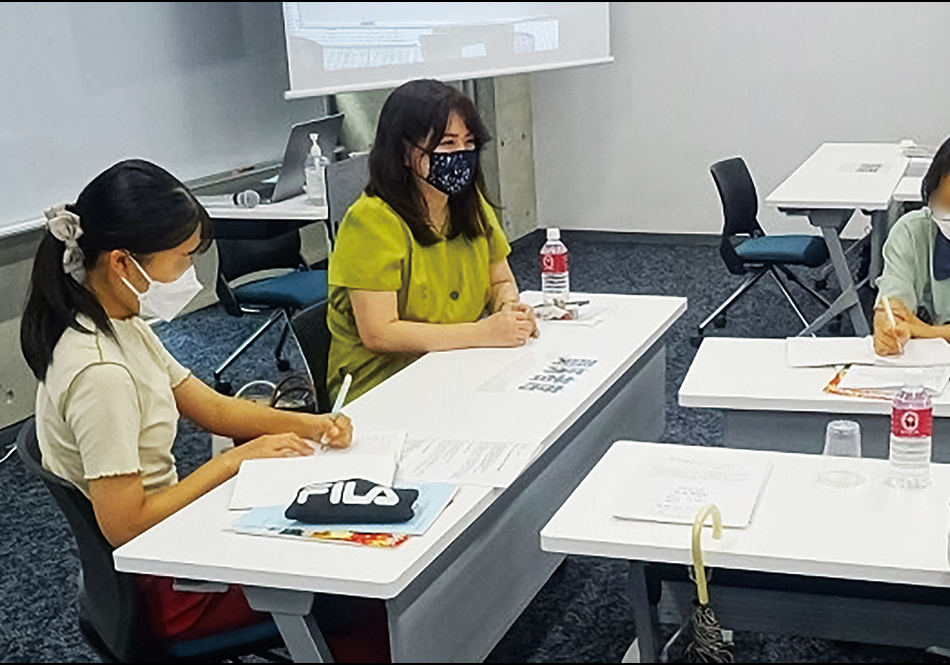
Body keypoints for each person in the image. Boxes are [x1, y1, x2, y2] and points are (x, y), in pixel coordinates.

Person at [17, 159, 391, 659]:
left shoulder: (118, 322)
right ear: (123, 263)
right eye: (182, 258)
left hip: (167, 550)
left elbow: (210, 407)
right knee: (352, 581)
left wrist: (308, 422)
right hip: (165, 590)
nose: (189, 275)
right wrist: (231, 463)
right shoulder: (99, 373)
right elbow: (125, 525)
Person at [326, 79, 539, 404]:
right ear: (403, 150)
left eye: (469, 143)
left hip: (455, 362)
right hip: (384, 386)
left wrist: (510, 311)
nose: (461, 155)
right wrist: (483, 333)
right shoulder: (370, 221)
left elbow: (499, 279)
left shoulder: (470, 204)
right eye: (446, 144)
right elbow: (379, 332)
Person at [875, 137, 950, 356]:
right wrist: (888, 325)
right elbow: (893, 299)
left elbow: (917, 328)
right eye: (945, 203)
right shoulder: (911, 232)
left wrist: (925, 331)